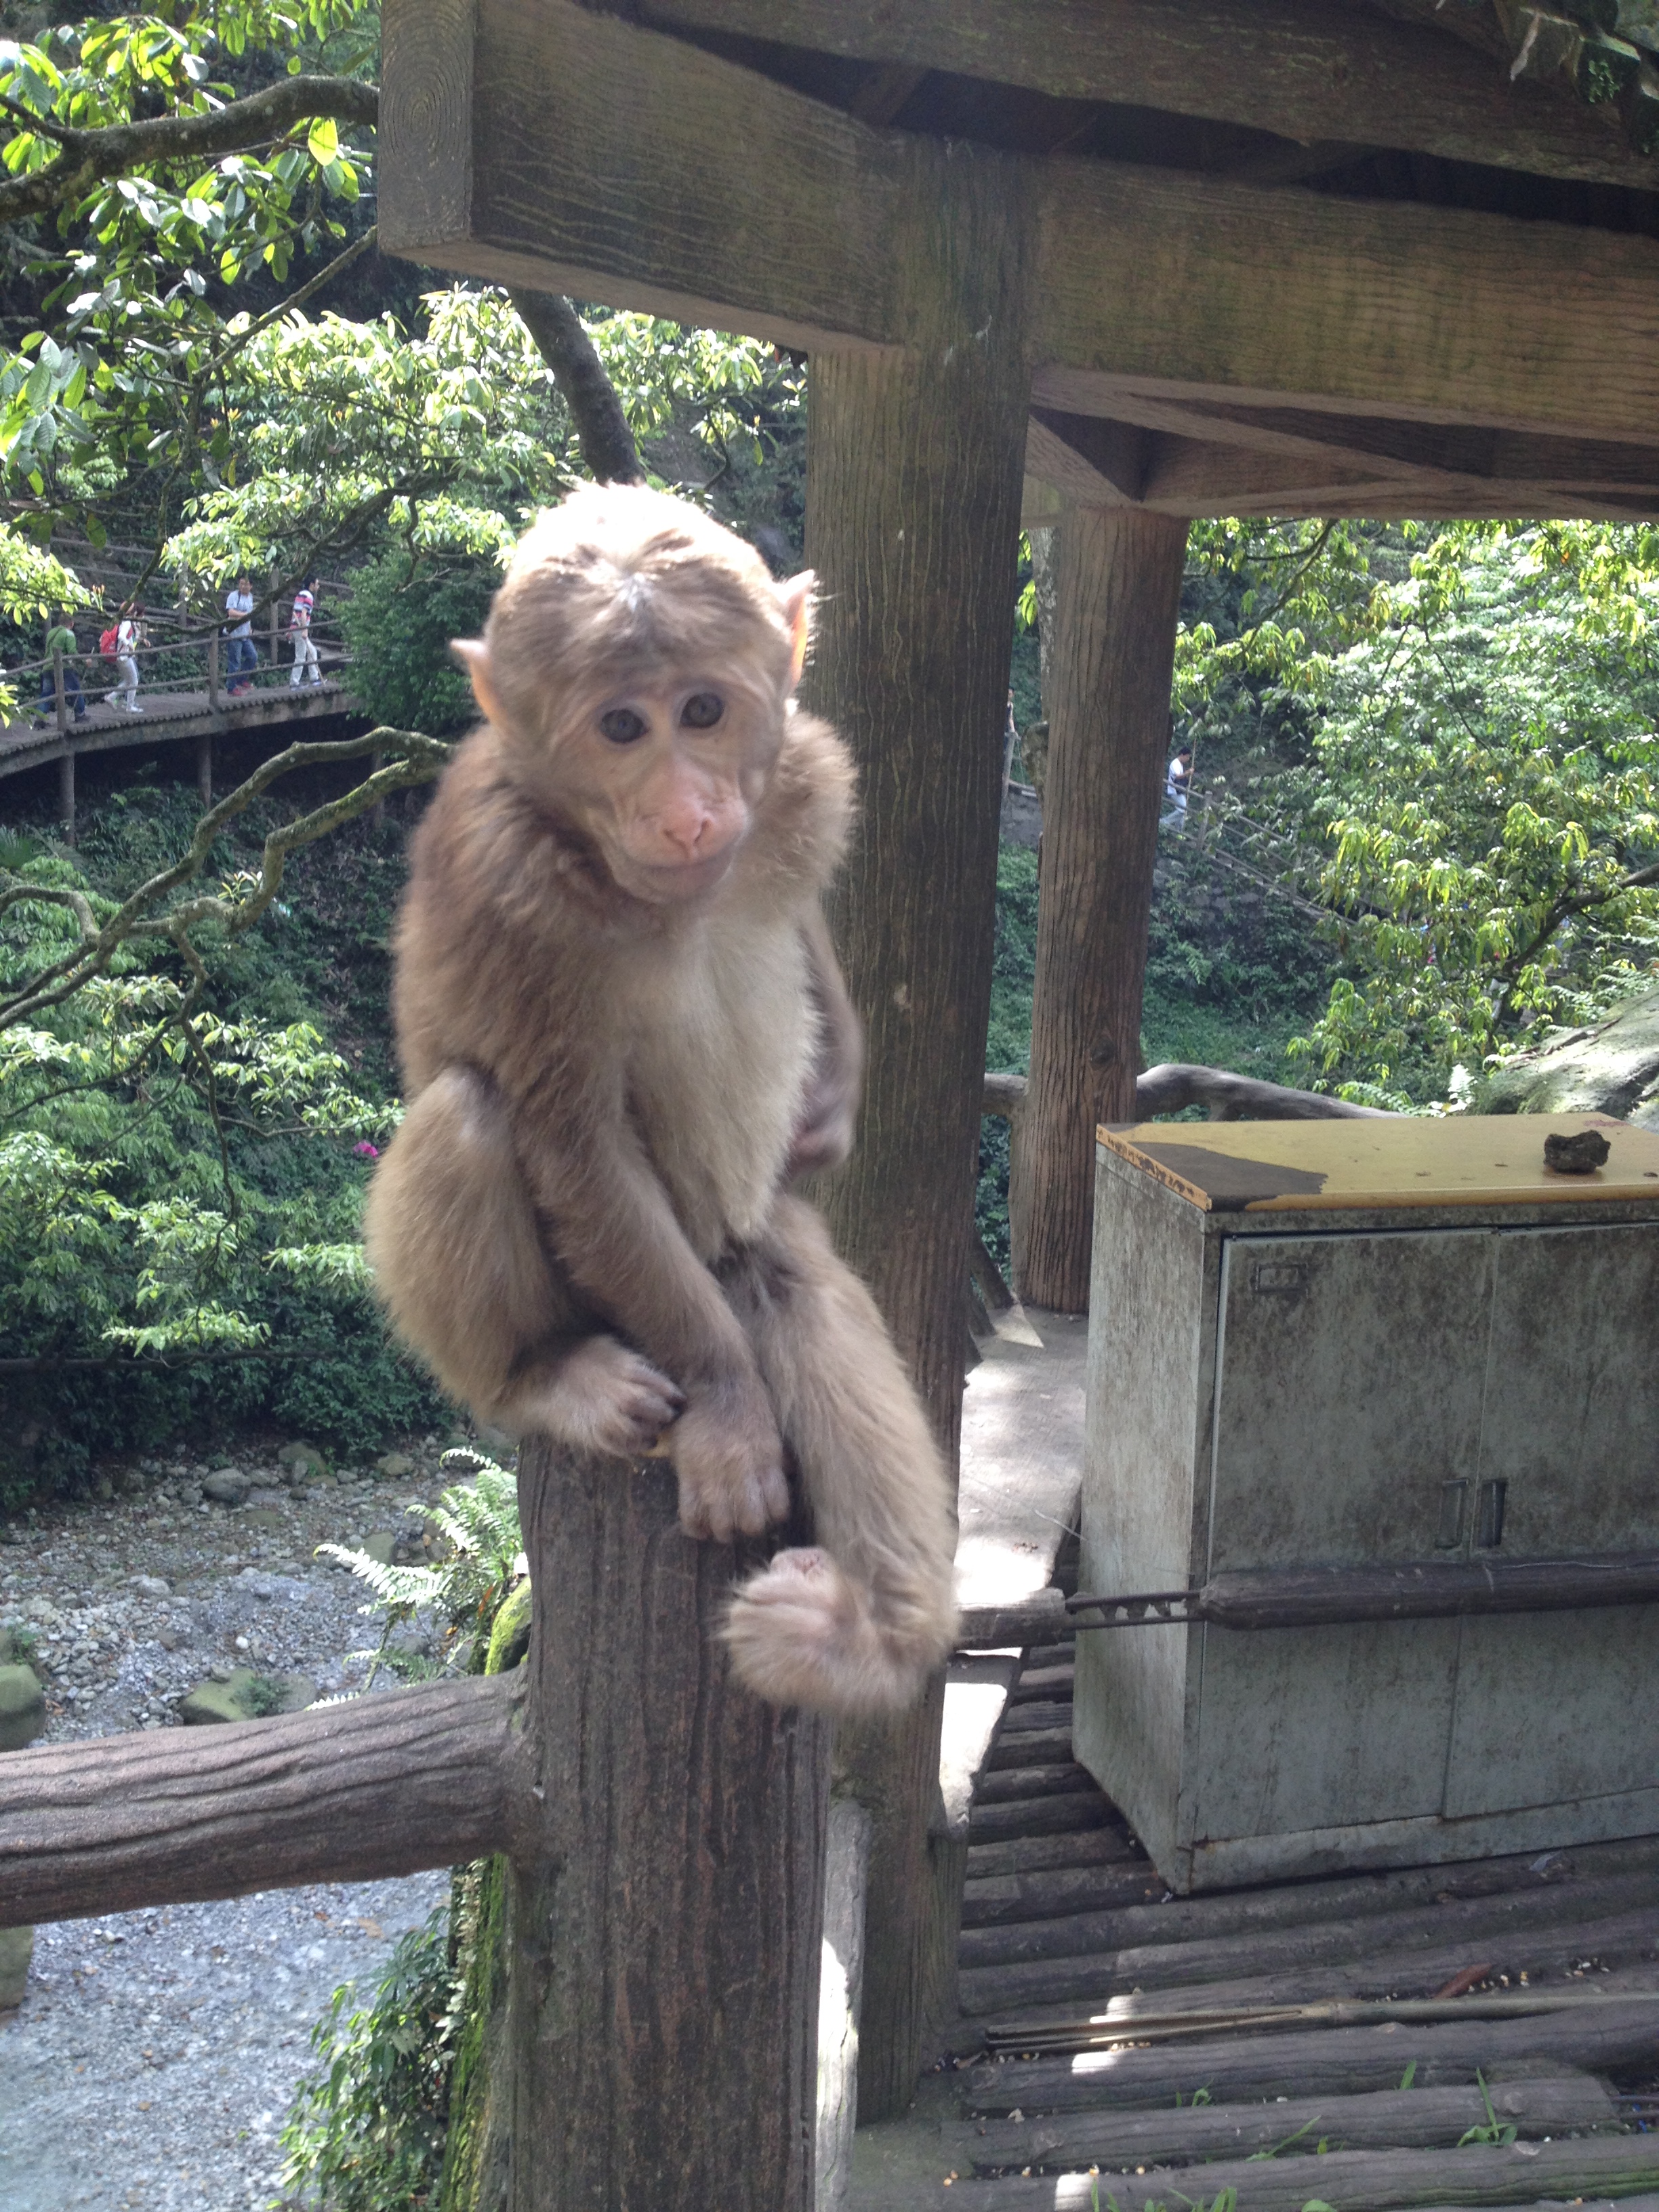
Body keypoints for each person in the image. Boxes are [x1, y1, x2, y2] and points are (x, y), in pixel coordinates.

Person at [39, 610, 87, 723]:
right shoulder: (68, 634)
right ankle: (80, 714)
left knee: (46, 694)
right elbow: (72, 652)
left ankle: (40, 720)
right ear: (72, 623)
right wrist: (84, 661)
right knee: (74, 690)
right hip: (63, 668)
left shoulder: (51, 632)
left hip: (47, 667)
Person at [224, 573, 257, 693]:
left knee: (253, 656)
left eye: (246, 584)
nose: (243, 586)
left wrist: (250, 628)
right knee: (235, 662)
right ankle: (231, 687)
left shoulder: (250, 597)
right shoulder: (234, 596)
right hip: (234, 634)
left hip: (245, 634)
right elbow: (231, 612)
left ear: (251, 586)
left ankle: (241, 679)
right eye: (241, 584)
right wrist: (245, 615)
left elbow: (250, 613)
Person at [110, 604, 144, 714]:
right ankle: (129, 707)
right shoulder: (128, 623)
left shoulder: (122, 621)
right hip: (124, 656)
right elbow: (121, 636)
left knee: (128, 680)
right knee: (134, 681)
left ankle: (112, 697)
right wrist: (130, 646)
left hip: (120, 656)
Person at [289, 578, 321, 686]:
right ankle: (294, 682)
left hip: (295, 626)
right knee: (300, 656)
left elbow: (296, 611)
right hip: (300, 628)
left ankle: (314, 678)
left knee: (312, 651)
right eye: (317, 584)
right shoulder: (309, 597)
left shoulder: (300, 594)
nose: (318, 587)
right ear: (312, 585)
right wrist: (304, 630)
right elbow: (303, 614)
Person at [1163, 742, 1193, 830]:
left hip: (1179, 791)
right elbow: (1178, 776)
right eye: (1187, 757)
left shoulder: (1180, 764)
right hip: (1174, 791)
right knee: (1182, 810)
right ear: (1182, 755)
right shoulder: (1175, 763)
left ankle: (1179, 830)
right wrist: (1188, 773)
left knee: (1182, 810)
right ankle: (1164, 822)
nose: (1188, 759)